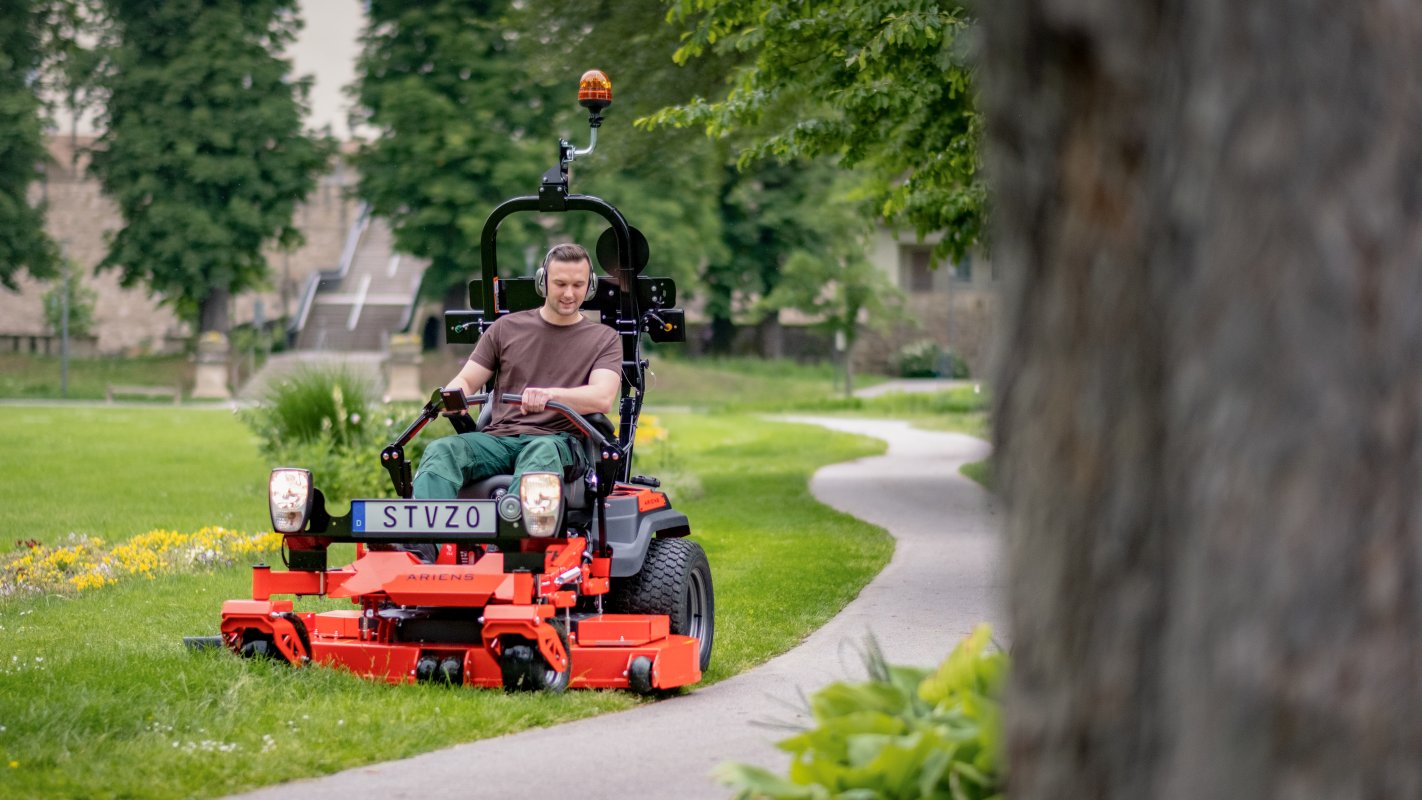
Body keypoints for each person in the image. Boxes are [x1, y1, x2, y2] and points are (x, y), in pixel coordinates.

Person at [411, 242, 621, 503]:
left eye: (577, 285)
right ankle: (425, 539)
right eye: (560, 284)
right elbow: (467, 379)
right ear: (543, 282)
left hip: (557, 442)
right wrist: (454, 396)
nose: (569, 293)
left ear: (589, 286)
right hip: (499, 439)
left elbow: (602, 397)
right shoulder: (506, 328)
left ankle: (513, 528)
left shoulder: (604, 338)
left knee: (540, 451)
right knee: (442, 450)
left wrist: (550, 395)